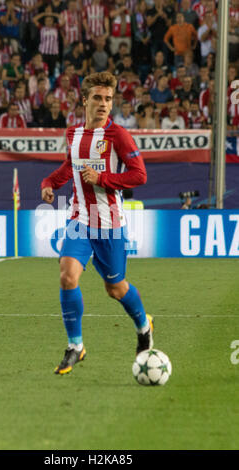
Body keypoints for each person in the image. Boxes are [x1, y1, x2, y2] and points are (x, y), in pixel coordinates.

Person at [41, 71, 154, 375]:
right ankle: (76, 346)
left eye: (108, 99)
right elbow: (71, 165)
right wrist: (51, 181)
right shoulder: (73, 134)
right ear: (85, 100)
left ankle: (144, 325)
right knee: (67, 275)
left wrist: (103, 178)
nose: (104, 104)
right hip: (79, 220)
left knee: (115, 288)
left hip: (110, 225)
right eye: (98, 98)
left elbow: (139, 175)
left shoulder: (118, 136)